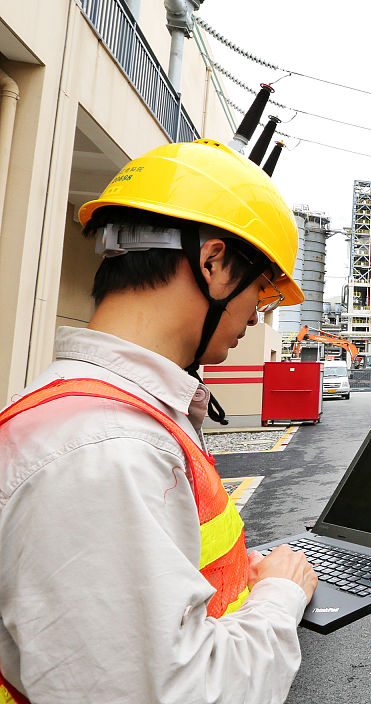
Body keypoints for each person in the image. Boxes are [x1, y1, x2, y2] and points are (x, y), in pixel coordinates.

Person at [0, 139, 318, 703]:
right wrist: (279, 595)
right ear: (213, 263)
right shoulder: (106, 450)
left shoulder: (107, 416)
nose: (255, 316)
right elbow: (171, 692)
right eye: (262, 290)